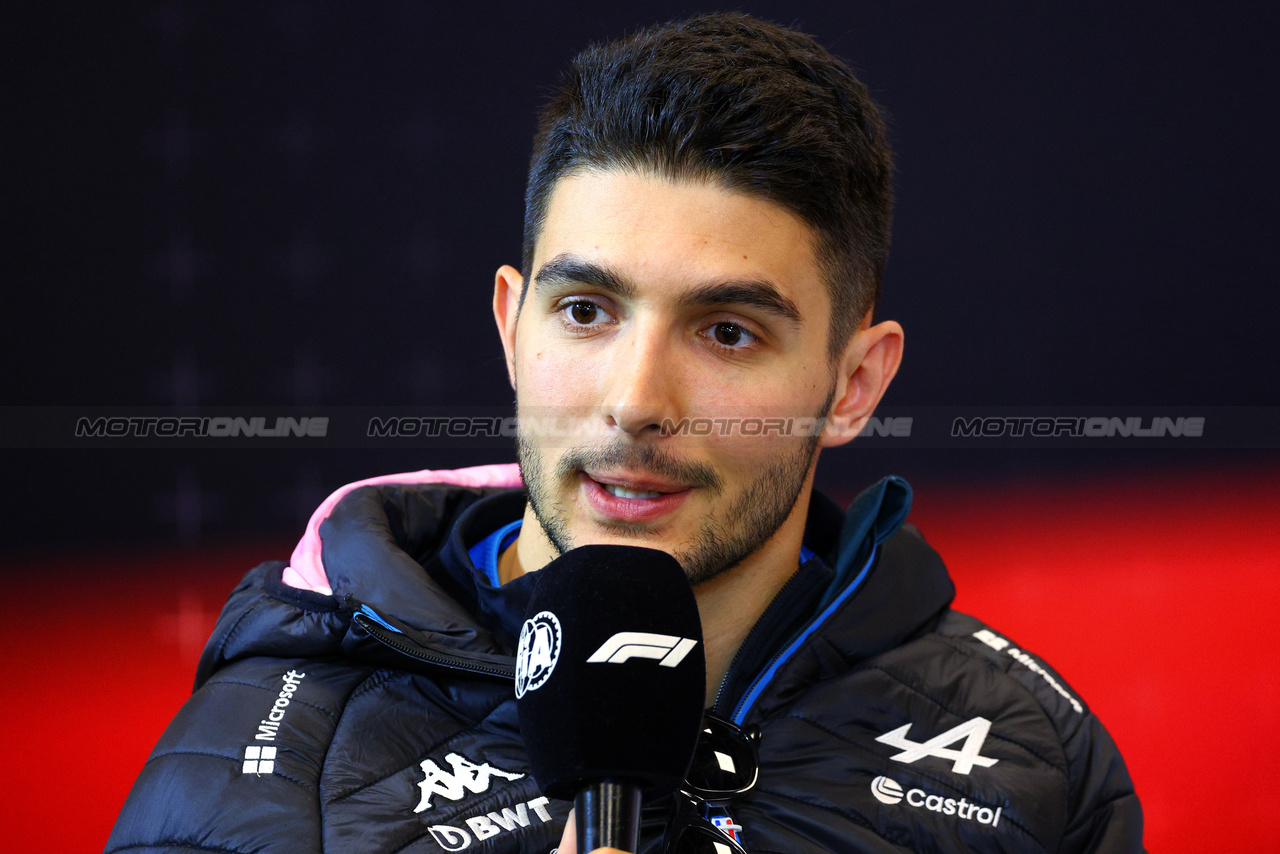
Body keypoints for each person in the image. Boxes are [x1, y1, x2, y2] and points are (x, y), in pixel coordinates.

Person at [107, 13, 1143, 854]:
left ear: (851, 381)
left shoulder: (1031, 757)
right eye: (587, 312)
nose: (635, 399)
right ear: (511, 327)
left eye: (727, 330)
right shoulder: (251, 773)